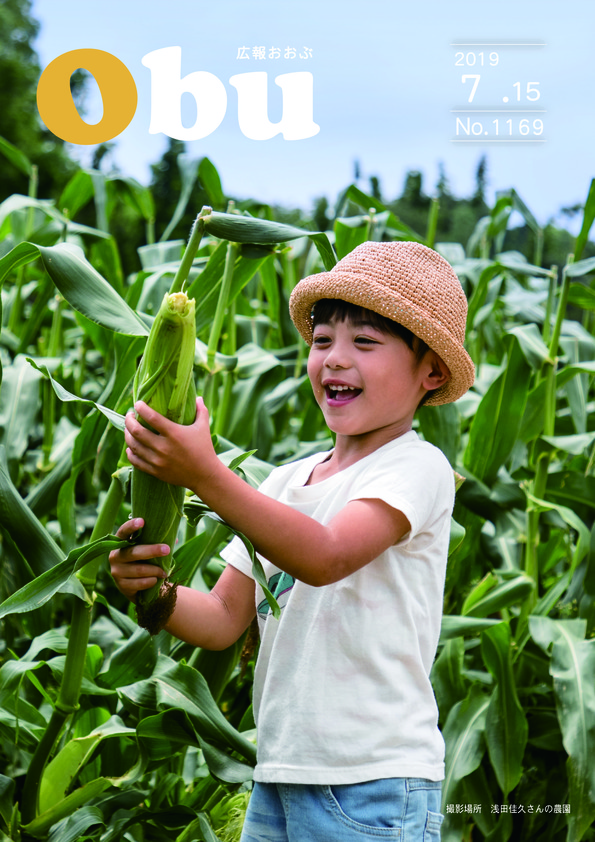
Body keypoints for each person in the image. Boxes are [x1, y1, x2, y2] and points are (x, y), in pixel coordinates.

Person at [110, 240, 475, 842]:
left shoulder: (416, 467)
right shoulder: (284, 482)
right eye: (322, 340)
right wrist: (155, 593)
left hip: (374, 783)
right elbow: (226, 618)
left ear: (431, 370)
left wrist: (205, 473)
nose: (334, 358)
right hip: (279, 774)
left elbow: (325, 556)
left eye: (364, 342)